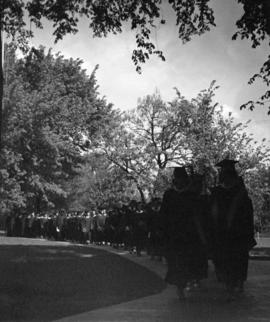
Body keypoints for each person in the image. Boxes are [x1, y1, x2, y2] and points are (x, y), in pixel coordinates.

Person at [210, 159, 256, 300]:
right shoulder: (222, 192)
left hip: (235, 233)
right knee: (231, 260)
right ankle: (234, 283)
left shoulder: (237, 193)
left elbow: (247, 215)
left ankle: (235, 283)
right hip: (229, 233)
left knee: (236, 259)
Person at [160, 166, 207, 299]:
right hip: (174, 235)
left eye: (181, 179)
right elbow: (163, 214)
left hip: (189, 234)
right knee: (176, 263)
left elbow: (198, 215)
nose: (179, 181)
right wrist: (162, 231)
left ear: (185, 180)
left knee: (188, 261)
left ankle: (189, 282)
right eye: (177, 179)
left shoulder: (191, 195)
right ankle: (180, 287)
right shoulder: (169, 195)